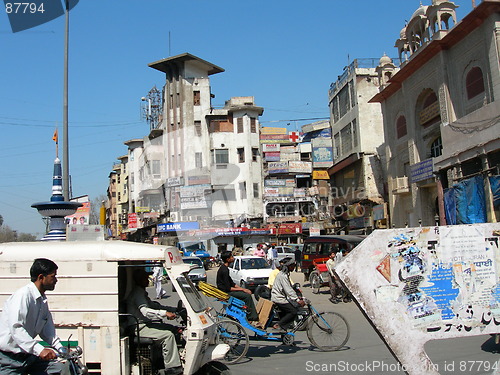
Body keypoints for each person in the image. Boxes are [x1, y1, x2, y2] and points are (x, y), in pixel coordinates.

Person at [0, 258, 70, 375]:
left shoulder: (42, 300)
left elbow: (47, 331)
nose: (56, 280)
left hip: (29, 357)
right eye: (53, 276)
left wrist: (61, 349)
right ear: (41, 277)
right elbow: (16, 328)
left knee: (62, 370)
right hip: (9, 360)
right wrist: (40, 350)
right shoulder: (23, 296)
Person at [126, 268, 182, 375]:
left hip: (145, 325)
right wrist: (164, 313)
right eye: (145, 278)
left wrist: (173, 309)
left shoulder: (141, 292)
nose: (147, 280)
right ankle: (172, 368)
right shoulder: (137, 293)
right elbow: (146, 311)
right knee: (168, 335)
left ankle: (163, 359)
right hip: (139, 327)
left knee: (172, 329)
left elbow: (154, 306)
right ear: (138, 280)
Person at [216, 251, 258, 321]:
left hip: (227, 290)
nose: (233, 258)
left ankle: (248, 313)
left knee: (245, 293)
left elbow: (232, 284)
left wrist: (243, 289)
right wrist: (243, 290)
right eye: (231, 257)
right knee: (247, 297)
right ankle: (252, 317)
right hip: (225, 292)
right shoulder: (224, 270)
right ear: (227, 259)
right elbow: (228, 288)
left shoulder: (225, 268)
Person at [270, 258, 305, 331]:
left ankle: (285, 338)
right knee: (293, 311)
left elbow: (290, 288)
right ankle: (278, 324)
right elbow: (288, 290)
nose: (293, 267)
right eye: (292, 266)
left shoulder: (285, 275)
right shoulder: (283, 276)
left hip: (282, 297)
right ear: (288, 266)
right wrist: (297, 300)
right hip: (279, 298)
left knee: (285, 317)